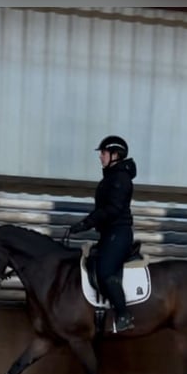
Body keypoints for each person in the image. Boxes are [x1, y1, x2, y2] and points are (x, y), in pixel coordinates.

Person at [69, 134, 137, 333]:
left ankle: (124, 314)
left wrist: (86, 223)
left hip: (119, 233)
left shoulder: (120, 178)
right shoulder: (112, 177)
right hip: (109, 233)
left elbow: (112, 209)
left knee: (106, 271)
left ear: (115, 155)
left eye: (104, 153)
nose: (100, 157)